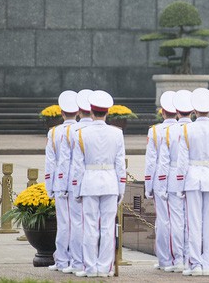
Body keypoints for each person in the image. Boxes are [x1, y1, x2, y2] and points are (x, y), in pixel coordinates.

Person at [71, 90, 126, 278]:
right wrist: (121, 189)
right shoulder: (117, 134)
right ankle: (105, 267)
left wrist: (76, 189)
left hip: (89, 183)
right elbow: (120, 165)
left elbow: (77, 166)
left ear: (91, 112)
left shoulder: (80, 134)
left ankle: (90, 267)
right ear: (107, 112)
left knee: (90, 226)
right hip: (110, 182)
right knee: (107, 227)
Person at [177, 88, 209, 276]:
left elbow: (182, 162)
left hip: (192, 178)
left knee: (194, 223)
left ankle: (195, 264)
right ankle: (207, 265)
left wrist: (180, 185)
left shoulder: (186, 129)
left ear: (194, 110)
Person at [57, 89, 94, 274]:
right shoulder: (107, 131)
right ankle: (94, 262)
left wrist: (62, 185)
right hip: (98, 182)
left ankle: (76, 262)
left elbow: (65, 161)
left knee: (74, 223)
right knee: (96, 224)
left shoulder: (71, 131)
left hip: (76, 181)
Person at [144, 91, 178, 271]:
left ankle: (165, 259)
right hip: (180, 180)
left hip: (160, 178)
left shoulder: (155, 130)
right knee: (181, 220)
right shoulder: (183, 129)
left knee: (164, 220)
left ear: (163, 112)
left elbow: (151, 161)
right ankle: (180, 256)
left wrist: (148, 185)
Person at [46, 90, 79, 272]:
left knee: (63, 222)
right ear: (79, 112)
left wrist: (49, 185)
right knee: (77, 222)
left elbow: (50, 162)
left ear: (61, 112)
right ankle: (76, 260)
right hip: (78, 182)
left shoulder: (54, 132)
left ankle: (61, 261)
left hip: (60, 181)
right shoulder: (82, 130)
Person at [161, 90, 193, 272]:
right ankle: (190, 258)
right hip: (193, 178)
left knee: (176, 221)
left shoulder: (169, 131)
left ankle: (178, 259)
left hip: (174, 178)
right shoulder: (195, 128)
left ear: (177, 111)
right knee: (193, 221)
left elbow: (164, 162)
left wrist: (161, 184)